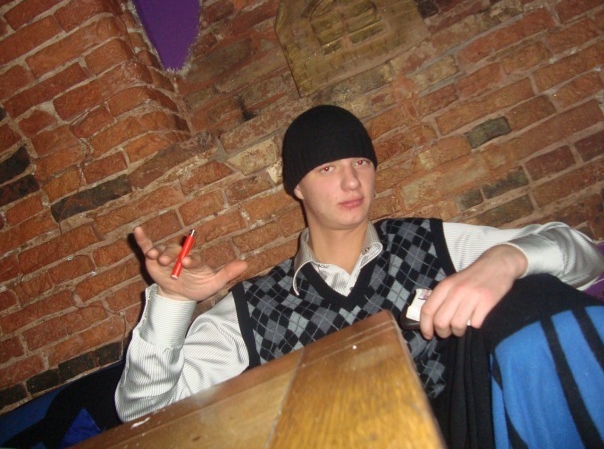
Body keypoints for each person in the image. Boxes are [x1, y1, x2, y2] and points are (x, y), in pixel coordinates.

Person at [115, 105, 604, 447]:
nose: (352, 181)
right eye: (328, 168)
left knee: (533, 294)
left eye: (361, 162)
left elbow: (583, 257)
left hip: (465, 431)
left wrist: (504, 260)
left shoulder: (424, 241)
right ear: (298, 187)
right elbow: (145, 415)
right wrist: (172, 301)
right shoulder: (256, 306)